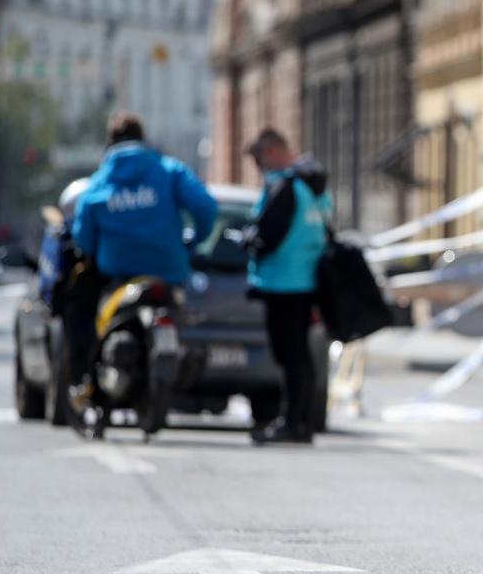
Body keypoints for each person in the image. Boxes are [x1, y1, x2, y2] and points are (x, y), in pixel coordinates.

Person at [69, 113, 218, 402]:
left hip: (118, 275)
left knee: (85, 316)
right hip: (167, 271)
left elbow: (83, 237)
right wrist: (195, 240)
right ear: (142, 137)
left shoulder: (99, 183)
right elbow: (206, 207)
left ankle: (86, 384)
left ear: (110, 143)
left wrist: (96, 249)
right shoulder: (169, 170)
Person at [243, 128, 332, 446]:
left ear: (270, 153)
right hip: (306, 281)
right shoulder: (315, 186)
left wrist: (249, 241)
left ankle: (293, 423)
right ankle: (300, 422)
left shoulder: (286, 186)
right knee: (301, 357)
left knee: (290, 356)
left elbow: (268, 236)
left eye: (258, 159)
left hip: (282, 284)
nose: (258, 166)